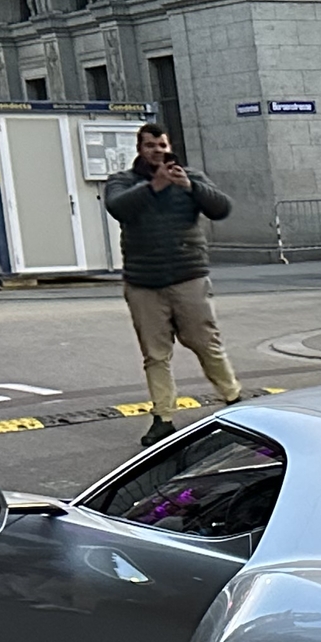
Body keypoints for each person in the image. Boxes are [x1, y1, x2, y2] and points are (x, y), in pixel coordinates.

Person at [103, 124, 244, 445]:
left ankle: (234, 400)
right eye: (150, 145)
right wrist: (155, 186)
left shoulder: (190, 177)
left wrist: (191, 188)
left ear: (169, 146)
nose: (157, 151)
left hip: (187, 277)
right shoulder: (124, 181)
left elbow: (221, 208)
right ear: (140, 149)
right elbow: (117, 207)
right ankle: (163, 417)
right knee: (155, 353)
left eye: (161, 145)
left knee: (205, 342)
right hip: (144, 283)